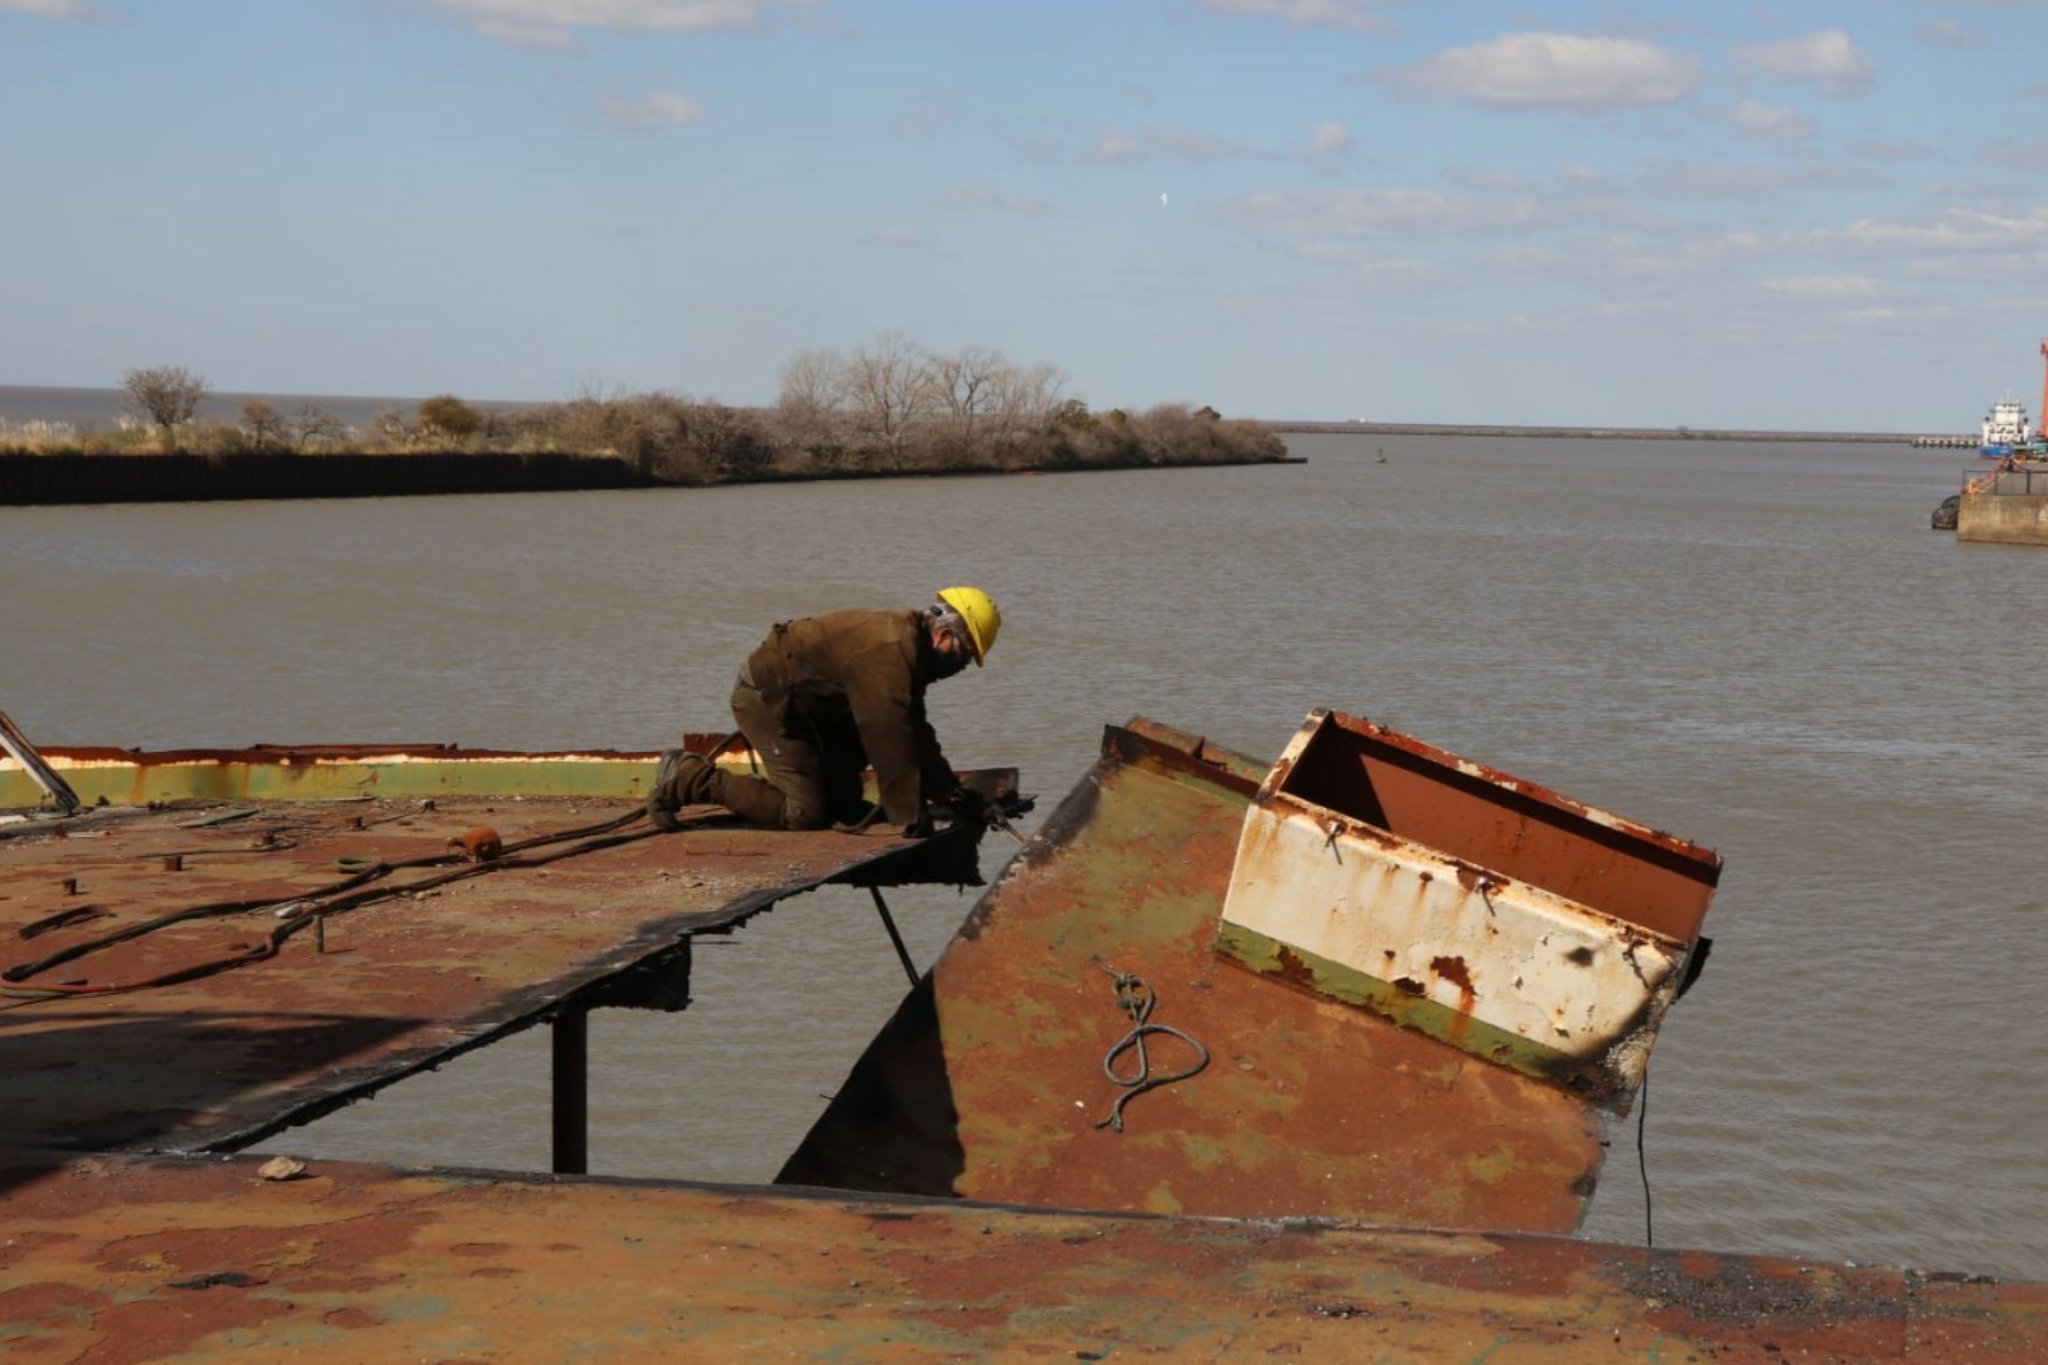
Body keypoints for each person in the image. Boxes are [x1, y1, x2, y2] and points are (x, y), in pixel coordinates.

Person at [646, 586, 1001, 838]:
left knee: (843, 803)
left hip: (817, 709)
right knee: (804, 814)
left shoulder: (911, 650)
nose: (962, 666)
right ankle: (692, 776)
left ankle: (837, 796)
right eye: (965, 656)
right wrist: (910, 811)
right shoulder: (890, 652)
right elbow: (886, 731)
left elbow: (914, 729)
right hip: (769, 700)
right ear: (943, 637)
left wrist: (953, 795)